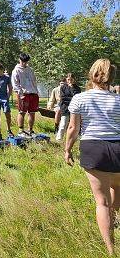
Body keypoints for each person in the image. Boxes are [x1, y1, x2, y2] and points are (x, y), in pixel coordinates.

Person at [64, 59, 120, 255]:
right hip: (118, 147)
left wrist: (67, 150)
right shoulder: (118, 100)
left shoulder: (80, 98)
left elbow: (73, 128)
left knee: (101, 203)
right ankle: (115, 221)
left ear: (92, 74)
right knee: (117, 189)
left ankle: (110, 250)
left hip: (94, 149)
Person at [11, 53, 39, 137]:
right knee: (22, 112)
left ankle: (30, 130)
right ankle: (21, 131)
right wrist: (20, 93)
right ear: (19, 60)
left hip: (33, 93)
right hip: (23, 94)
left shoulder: (30, 69)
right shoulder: (16, 70)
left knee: (32, 113)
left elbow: (34, 81)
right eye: (23, 61)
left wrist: (36, 92)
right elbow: (15, 84)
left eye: (26, 62)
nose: (24, 63)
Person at [56, 73, 81, 141]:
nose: (70, 81)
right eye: (68, 79)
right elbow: (63, 98)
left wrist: (72, 88)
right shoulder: (63, 87)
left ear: (74, 80)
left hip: (75, 108)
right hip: (65, 107)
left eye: (71, 79)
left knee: (75, 124)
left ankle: (75, 138)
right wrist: (72, 99)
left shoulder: (77, 88)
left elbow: (77, 97)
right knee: (63, 124)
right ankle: (59, 138)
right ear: (66, 79)